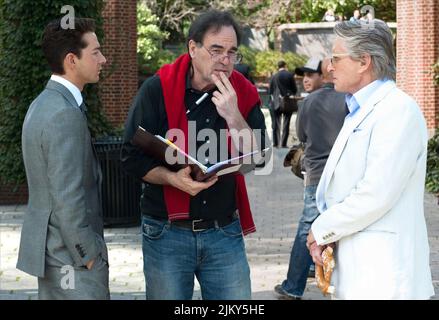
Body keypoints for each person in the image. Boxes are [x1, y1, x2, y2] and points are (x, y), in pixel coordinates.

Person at [121, 9, 268, 300]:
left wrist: (233, 114)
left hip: (223, 230)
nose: (225, 60)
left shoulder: (245, 93)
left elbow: (259, 159)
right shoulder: (157, 89)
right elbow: (130, 156)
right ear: (193, 48)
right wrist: (174, 179)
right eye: (216, 50)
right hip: (166, 231)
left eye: (231, 52)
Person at [306, 19, 435, 299]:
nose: (329, 67)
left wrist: (323, 228)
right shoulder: (361, 109)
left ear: (363, 61)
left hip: (385, 276)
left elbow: (376, 193)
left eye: (336, 58)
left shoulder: (398, 110)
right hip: (364, 270)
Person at [17, 18, 109, 299]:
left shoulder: (42, 103)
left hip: (54, 256)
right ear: (72, 60)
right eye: (95, 52)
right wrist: (88, 255)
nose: (103, 59)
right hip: (72, 261)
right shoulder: (64, 114)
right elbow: (67, 197)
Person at [274, 58, 346, 300]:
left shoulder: (308, 102)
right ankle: (321, 275)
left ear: (324, 74)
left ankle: (293, 286)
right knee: (341, 228)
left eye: (310, 74)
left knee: (307, 226)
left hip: (315, 174)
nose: (305, 79)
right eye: (302, 75)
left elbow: (302, 135)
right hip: (343, 175)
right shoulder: (348, 98)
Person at [269, 60, 297, 148]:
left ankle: (275, 143)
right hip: (287, 102)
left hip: (276, 102)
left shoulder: (274, 76)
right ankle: (284, 144)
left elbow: (270, 90)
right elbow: (294, 89)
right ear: (285, 65)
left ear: (278, 66)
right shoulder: (289, 75)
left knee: (275, 124)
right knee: (286, 123)